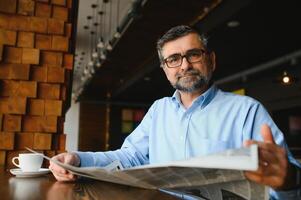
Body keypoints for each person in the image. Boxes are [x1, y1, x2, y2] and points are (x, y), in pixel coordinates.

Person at [50, 25, 301, 199]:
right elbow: (129, 157)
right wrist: (78, 159)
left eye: (193, 54)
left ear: (211, 60)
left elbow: (285, 177)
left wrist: (289, 179)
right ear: (165, 69)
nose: (185, 65)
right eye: (174, 59)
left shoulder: (247, 110)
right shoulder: (159, 110)